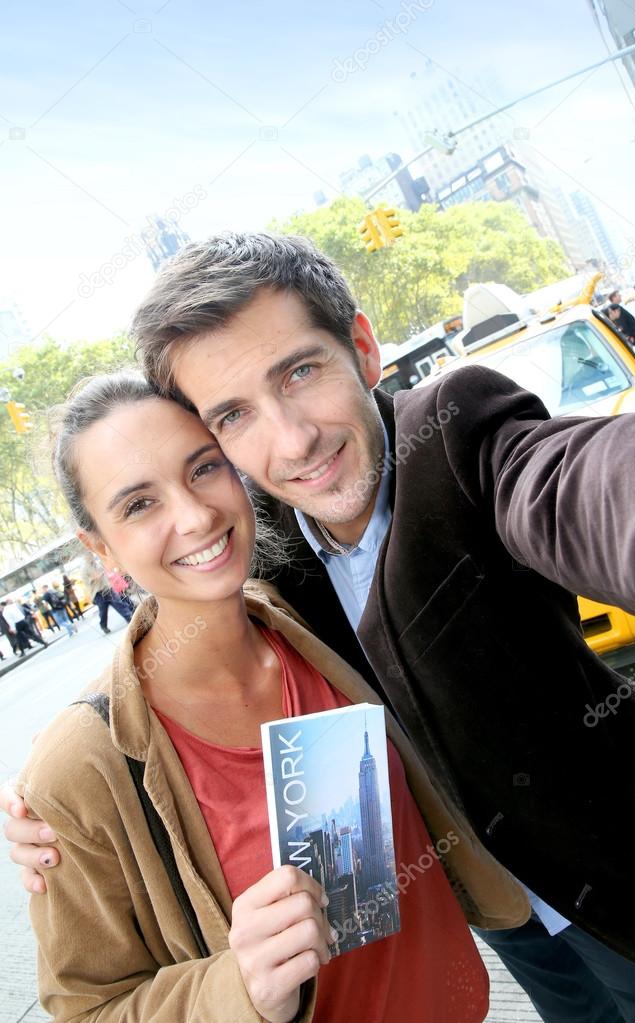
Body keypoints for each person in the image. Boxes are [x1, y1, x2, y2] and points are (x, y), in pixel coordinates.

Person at [5, 232, 635, 1021]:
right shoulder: (266, 554)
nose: (292, 440)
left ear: (362, 347)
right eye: (234, 416)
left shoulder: (461, 442)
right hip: (514, 923)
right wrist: (64, 787)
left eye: (299, 371)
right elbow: (178, 608)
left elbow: (602, 487)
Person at [13, 371, 513, 1023]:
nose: (194, 516)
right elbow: (87, 1005)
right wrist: (236, 989)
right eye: (139, 504)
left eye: (203, 469)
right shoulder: (80, 772)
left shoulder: (304, 612)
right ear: (100, 546)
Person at [82, 552, 133, 634]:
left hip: (107, 588)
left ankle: (129, 617)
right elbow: (86, 582)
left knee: (119, 604)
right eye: (88, 556)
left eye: (91, 556)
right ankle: (103, 626)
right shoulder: (84, 570)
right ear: (85, 558)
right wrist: (93, 578)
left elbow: (105, 573)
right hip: (98, 593)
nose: (90, 557)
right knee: (103, 611)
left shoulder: (98, 564)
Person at [604, 292, 635, 357]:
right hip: (633, 335)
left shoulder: (616, 308)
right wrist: (630, 335)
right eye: (618, 295)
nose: (620, 296)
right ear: (614, 298)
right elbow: (622, 324)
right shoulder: (614, 308)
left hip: (633, 334)